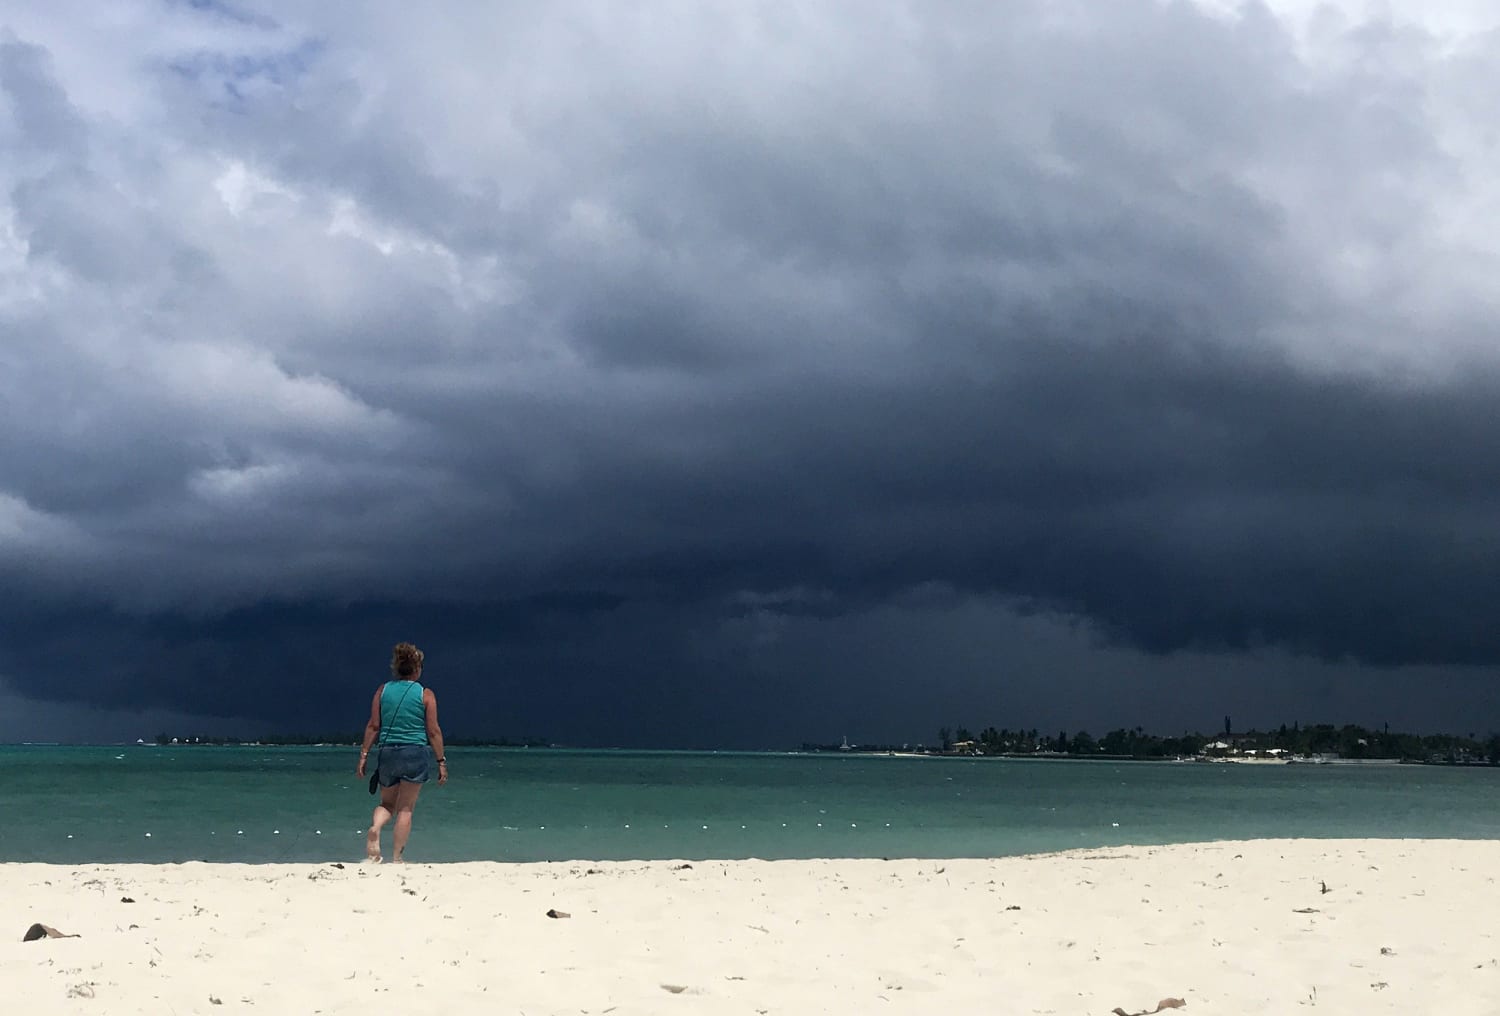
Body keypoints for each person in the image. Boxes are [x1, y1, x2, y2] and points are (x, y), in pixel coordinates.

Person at [357, 642, 447, 863]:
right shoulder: (425, 694)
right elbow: (433, 731)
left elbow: (373, 726)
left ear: (396, 668)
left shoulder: (383, 691)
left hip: (388, 752)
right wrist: (441, 761)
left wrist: (364, 755)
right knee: (405, 809)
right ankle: (397, 858)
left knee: (387, 803)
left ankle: (376, 827)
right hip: (415, 752)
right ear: (417, 669)